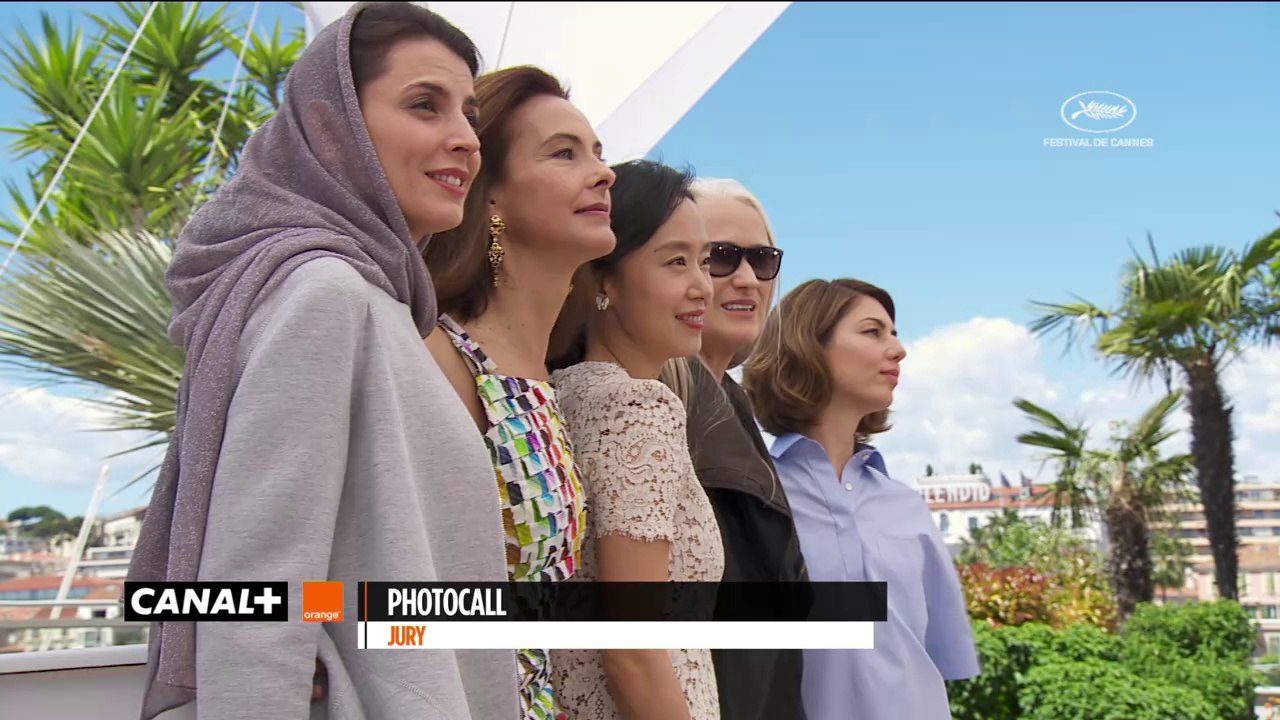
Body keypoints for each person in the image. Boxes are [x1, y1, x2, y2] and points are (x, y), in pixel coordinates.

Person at [126, 4, 517, 718]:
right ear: (331, 127)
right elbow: (254, 585)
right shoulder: (327, 295)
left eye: (467, 113)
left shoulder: (378, 303)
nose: (464, 139)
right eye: (425, 106)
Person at [423, 64, 616, 720]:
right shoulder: (438, 360)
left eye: (598, 152)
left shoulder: (542, 376)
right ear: (492, 195)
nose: (603, 172)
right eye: (564, 153)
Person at [742, 278, 980, 719]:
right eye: (873, 332)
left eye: (894, 332)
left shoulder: (907, 508)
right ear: (808, 346)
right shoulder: (755, 498)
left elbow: (941, 655)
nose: (898, 349)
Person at [548, 159, 724, 720]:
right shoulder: (637, 409)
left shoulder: (559, 395)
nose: (703, 286)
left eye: (704, 260)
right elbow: (633, 649)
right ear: (604, 282)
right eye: (675, 262)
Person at [683, 177, 808, 720]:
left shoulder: (732, 407)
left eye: (762, 259)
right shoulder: (649, 404)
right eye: (720, 257)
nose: (746, 278)